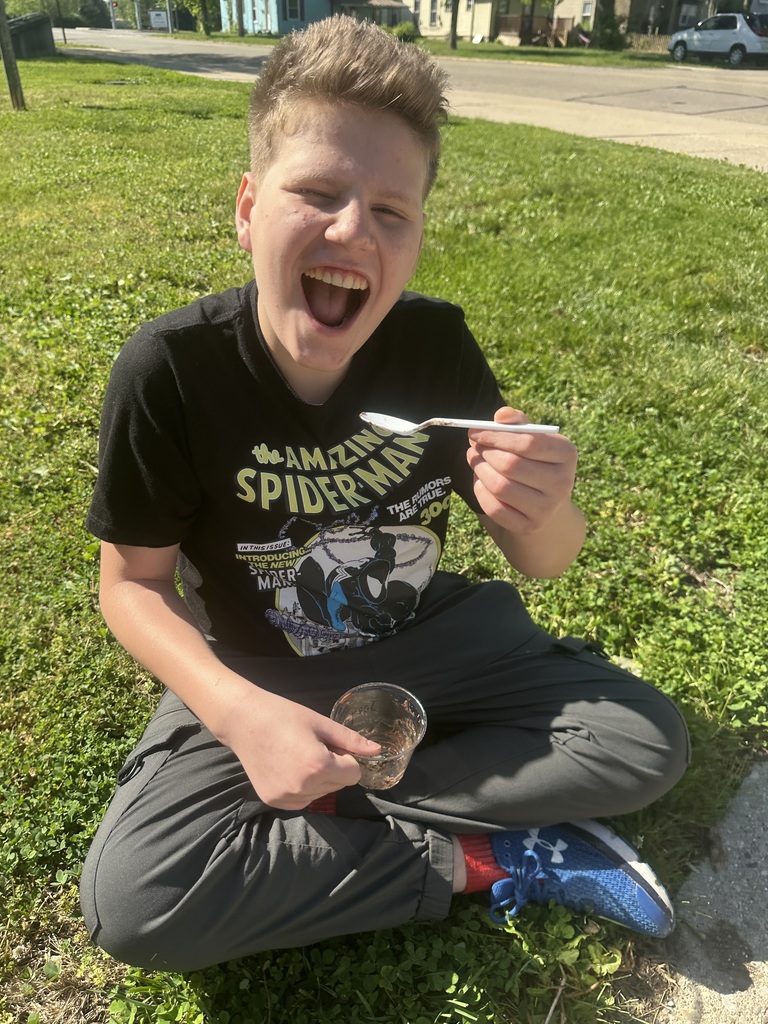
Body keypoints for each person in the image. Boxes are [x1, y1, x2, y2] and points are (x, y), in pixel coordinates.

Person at [79, 16, 689, 973]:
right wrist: (243, 716)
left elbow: (544, 559)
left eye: (391, 211)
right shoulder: (172, 372)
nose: (353, 228)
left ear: (415, 240)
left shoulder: (433, 347)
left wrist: (544, 507)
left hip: (435, 638)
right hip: (263, 659)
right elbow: (131, 586)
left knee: (645, 743)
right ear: (247, 207)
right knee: (138, 900)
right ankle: (489, 854)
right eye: (316, 192)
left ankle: (338, 795)